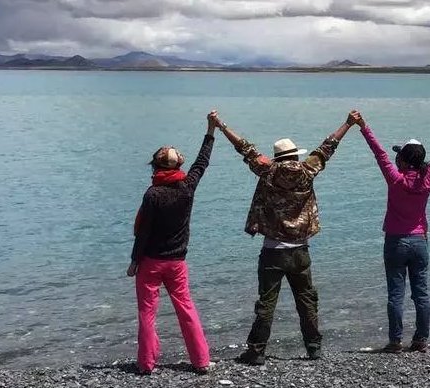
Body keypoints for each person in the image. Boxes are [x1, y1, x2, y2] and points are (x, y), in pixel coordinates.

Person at [213, 111, 357, 365]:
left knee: (267, 302)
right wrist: (348, 123)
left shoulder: (267, 171)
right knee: (306, 300)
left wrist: (221, 126)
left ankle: (257, 351)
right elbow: (328, 147)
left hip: (273, 250)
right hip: (301, 250)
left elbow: (244, 148)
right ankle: (313, 348)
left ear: (279, 157)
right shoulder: (307, 170)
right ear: (295, 156)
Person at [350, 109, 430, 353]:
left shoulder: (395, 179)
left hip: (396, 242)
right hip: (419, 241)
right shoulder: (428, 179)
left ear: (404, 161)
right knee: (422, 294)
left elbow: (379, 153)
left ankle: (395, 341)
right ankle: (420, 340)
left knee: (395, 295)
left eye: (400, 158)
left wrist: (364, 126)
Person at [127, 110, 220, 375]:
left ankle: (146, 363)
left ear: (156, 167)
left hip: (151, 262)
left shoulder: (152, 194)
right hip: (177, 262)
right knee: (186, 309)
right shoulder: (187, 187)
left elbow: (143, 232)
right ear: (178, 167)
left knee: (147, 313)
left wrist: (135, 260)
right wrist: (210, 130)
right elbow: (202, 162)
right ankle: (201, 360)